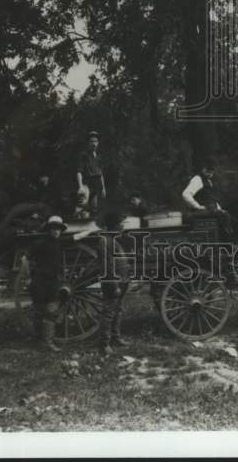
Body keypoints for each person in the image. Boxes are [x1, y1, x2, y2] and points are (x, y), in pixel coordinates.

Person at [28, 215, 68, 352]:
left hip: (50, 281)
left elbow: (74, 239)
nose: (56, 232)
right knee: (44, 311)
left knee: (49, 311)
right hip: (41, 281)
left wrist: (86, 233)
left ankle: (45, 340)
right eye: (54, 229)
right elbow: (26, 258)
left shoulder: (59, 242)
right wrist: (29, 275)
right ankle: (45, 342)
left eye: (58, 229)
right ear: (49, 230)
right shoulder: (39, 244)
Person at [97, 205, 132, 356]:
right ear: (114, 225)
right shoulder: (104, 241)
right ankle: (104, 344)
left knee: (117, 310)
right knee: (109, 312)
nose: (123, 226)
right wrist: (114, 285)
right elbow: (107, 266)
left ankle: (116, 338)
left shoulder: (113, 239)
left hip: (121, 281)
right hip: (113, 283)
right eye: (120, 223)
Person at [76, 131, 106, 217]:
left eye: (96, 141)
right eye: (91, 141)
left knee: (95, 208)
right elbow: (79, 171)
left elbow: (101, 173)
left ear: (98, 143)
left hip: (97, 185)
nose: (94, 143)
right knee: (83, 206)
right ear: (88, 143)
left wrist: (103, 188)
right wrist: (80, 186)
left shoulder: (99, 156)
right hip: (87, 183)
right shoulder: (84, 155)